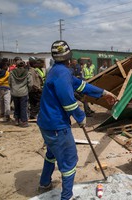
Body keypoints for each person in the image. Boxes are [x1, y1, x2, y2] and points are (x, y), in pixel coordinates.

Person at [37, 40, 116, 200]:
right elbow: (67, 99)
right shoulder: (63, 73)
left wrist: (103, 92)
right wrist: (80, 117)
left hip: (46, 124)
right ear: (70, 56)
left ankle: (44, 183)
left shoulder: (56, 71)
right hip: (57, 126)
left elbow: (80, 85)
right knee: (69, 161)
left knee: (51, 153)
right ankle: (66, 197)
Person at [9, 60, 33, 127]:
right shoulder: (27, 73)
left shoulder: (11, 73)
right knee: (23, 107)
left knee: (16, 107)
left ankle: (16, 120)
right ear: (24, 65)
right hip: (23, 92)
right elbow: (30, 84)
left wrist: (13, 89)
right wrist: (28, 90)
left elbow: (9, 82)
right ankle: (24, 121)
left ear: (16, 65)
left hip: (14, 92)